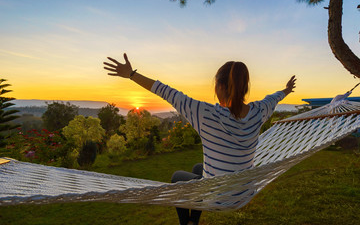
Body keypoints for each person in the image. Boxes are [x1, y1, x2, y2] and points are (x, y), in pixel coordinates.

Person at [103, 53, 296, 225]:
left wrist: (131, 74)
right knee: (197, 169)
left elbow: (165, 91)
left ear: (220, 86)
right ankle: (193, 222)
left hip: (218, 197)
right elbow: (274, 98)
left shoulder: (206, 114)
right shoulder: (258, 111)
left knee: (177, 178)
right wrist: (287, 90)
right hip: (243, 192)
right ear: (244, 87)